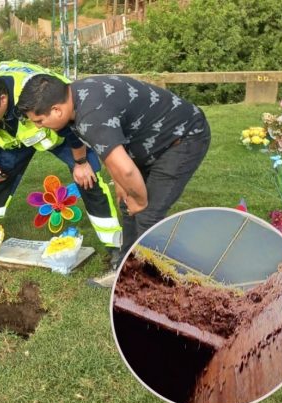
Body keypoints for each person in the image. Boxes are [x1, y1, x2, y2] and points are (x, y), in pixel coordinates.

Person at [16, 74, 210, 262]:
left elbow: (126, 170)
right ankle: (125, 268)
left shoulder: (91, 117)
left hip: (183, 138)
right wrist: (121, 184)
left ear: (57, 110)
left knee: (147, 214)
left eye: (39, 121)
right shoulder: (74, 97)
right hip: (148, 140)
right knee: (127, 203)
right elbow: (112, 150)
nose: (40, 127)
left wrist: (140, 201)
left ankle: (150, 281)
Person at [0, 61, 122, 256]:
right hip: (21, 136)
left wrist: (80, 163)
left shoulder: (34, 94)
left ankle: (115, 246)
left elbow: (73, 124)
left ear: (3, 99)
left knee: (88, 180)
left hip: (63, 129)